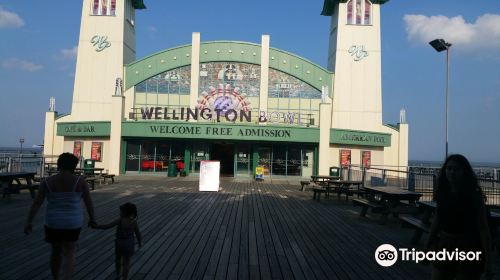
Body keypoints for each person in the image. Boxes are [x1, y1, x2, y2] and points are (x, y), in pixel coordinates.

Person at [24, 152, 96, 280]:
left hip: (53, 222)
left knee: (55, 251)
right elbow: (88, 203)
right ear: (74, 166)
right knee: (69, 252)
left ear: (59, 165)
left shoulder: (47, 182)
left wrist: (29, 221)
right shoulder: (80, 182)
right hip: (73, 222)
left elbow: (37, 203)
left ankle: (56, 278)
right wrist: (92, 219)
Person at [426, 154, 494, 280]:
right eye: (449, 168)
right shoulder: (443, 193)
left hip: (469, 246)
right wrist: (428, 245)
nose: (451, 172)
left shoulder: (474, 196)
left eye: (456, 169)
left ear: (464, 171)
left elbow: (483, 227)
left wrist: (488, 260)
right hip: (445, 243)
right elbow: (437, 221)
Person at [91, 202, 142, 280]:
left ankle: (118, 275)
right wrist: (139, 242)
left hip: (119, 243)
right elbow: (138, 233)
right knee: (126, 262)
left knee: (118, 259)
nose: (120, 213)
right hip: (129, 244)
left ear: (125, 212)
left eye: (121, 211)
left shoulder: (120, 220)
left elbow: (107, 226)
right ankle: (125, 278)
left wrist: (96, 226)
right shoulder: (133, 222)